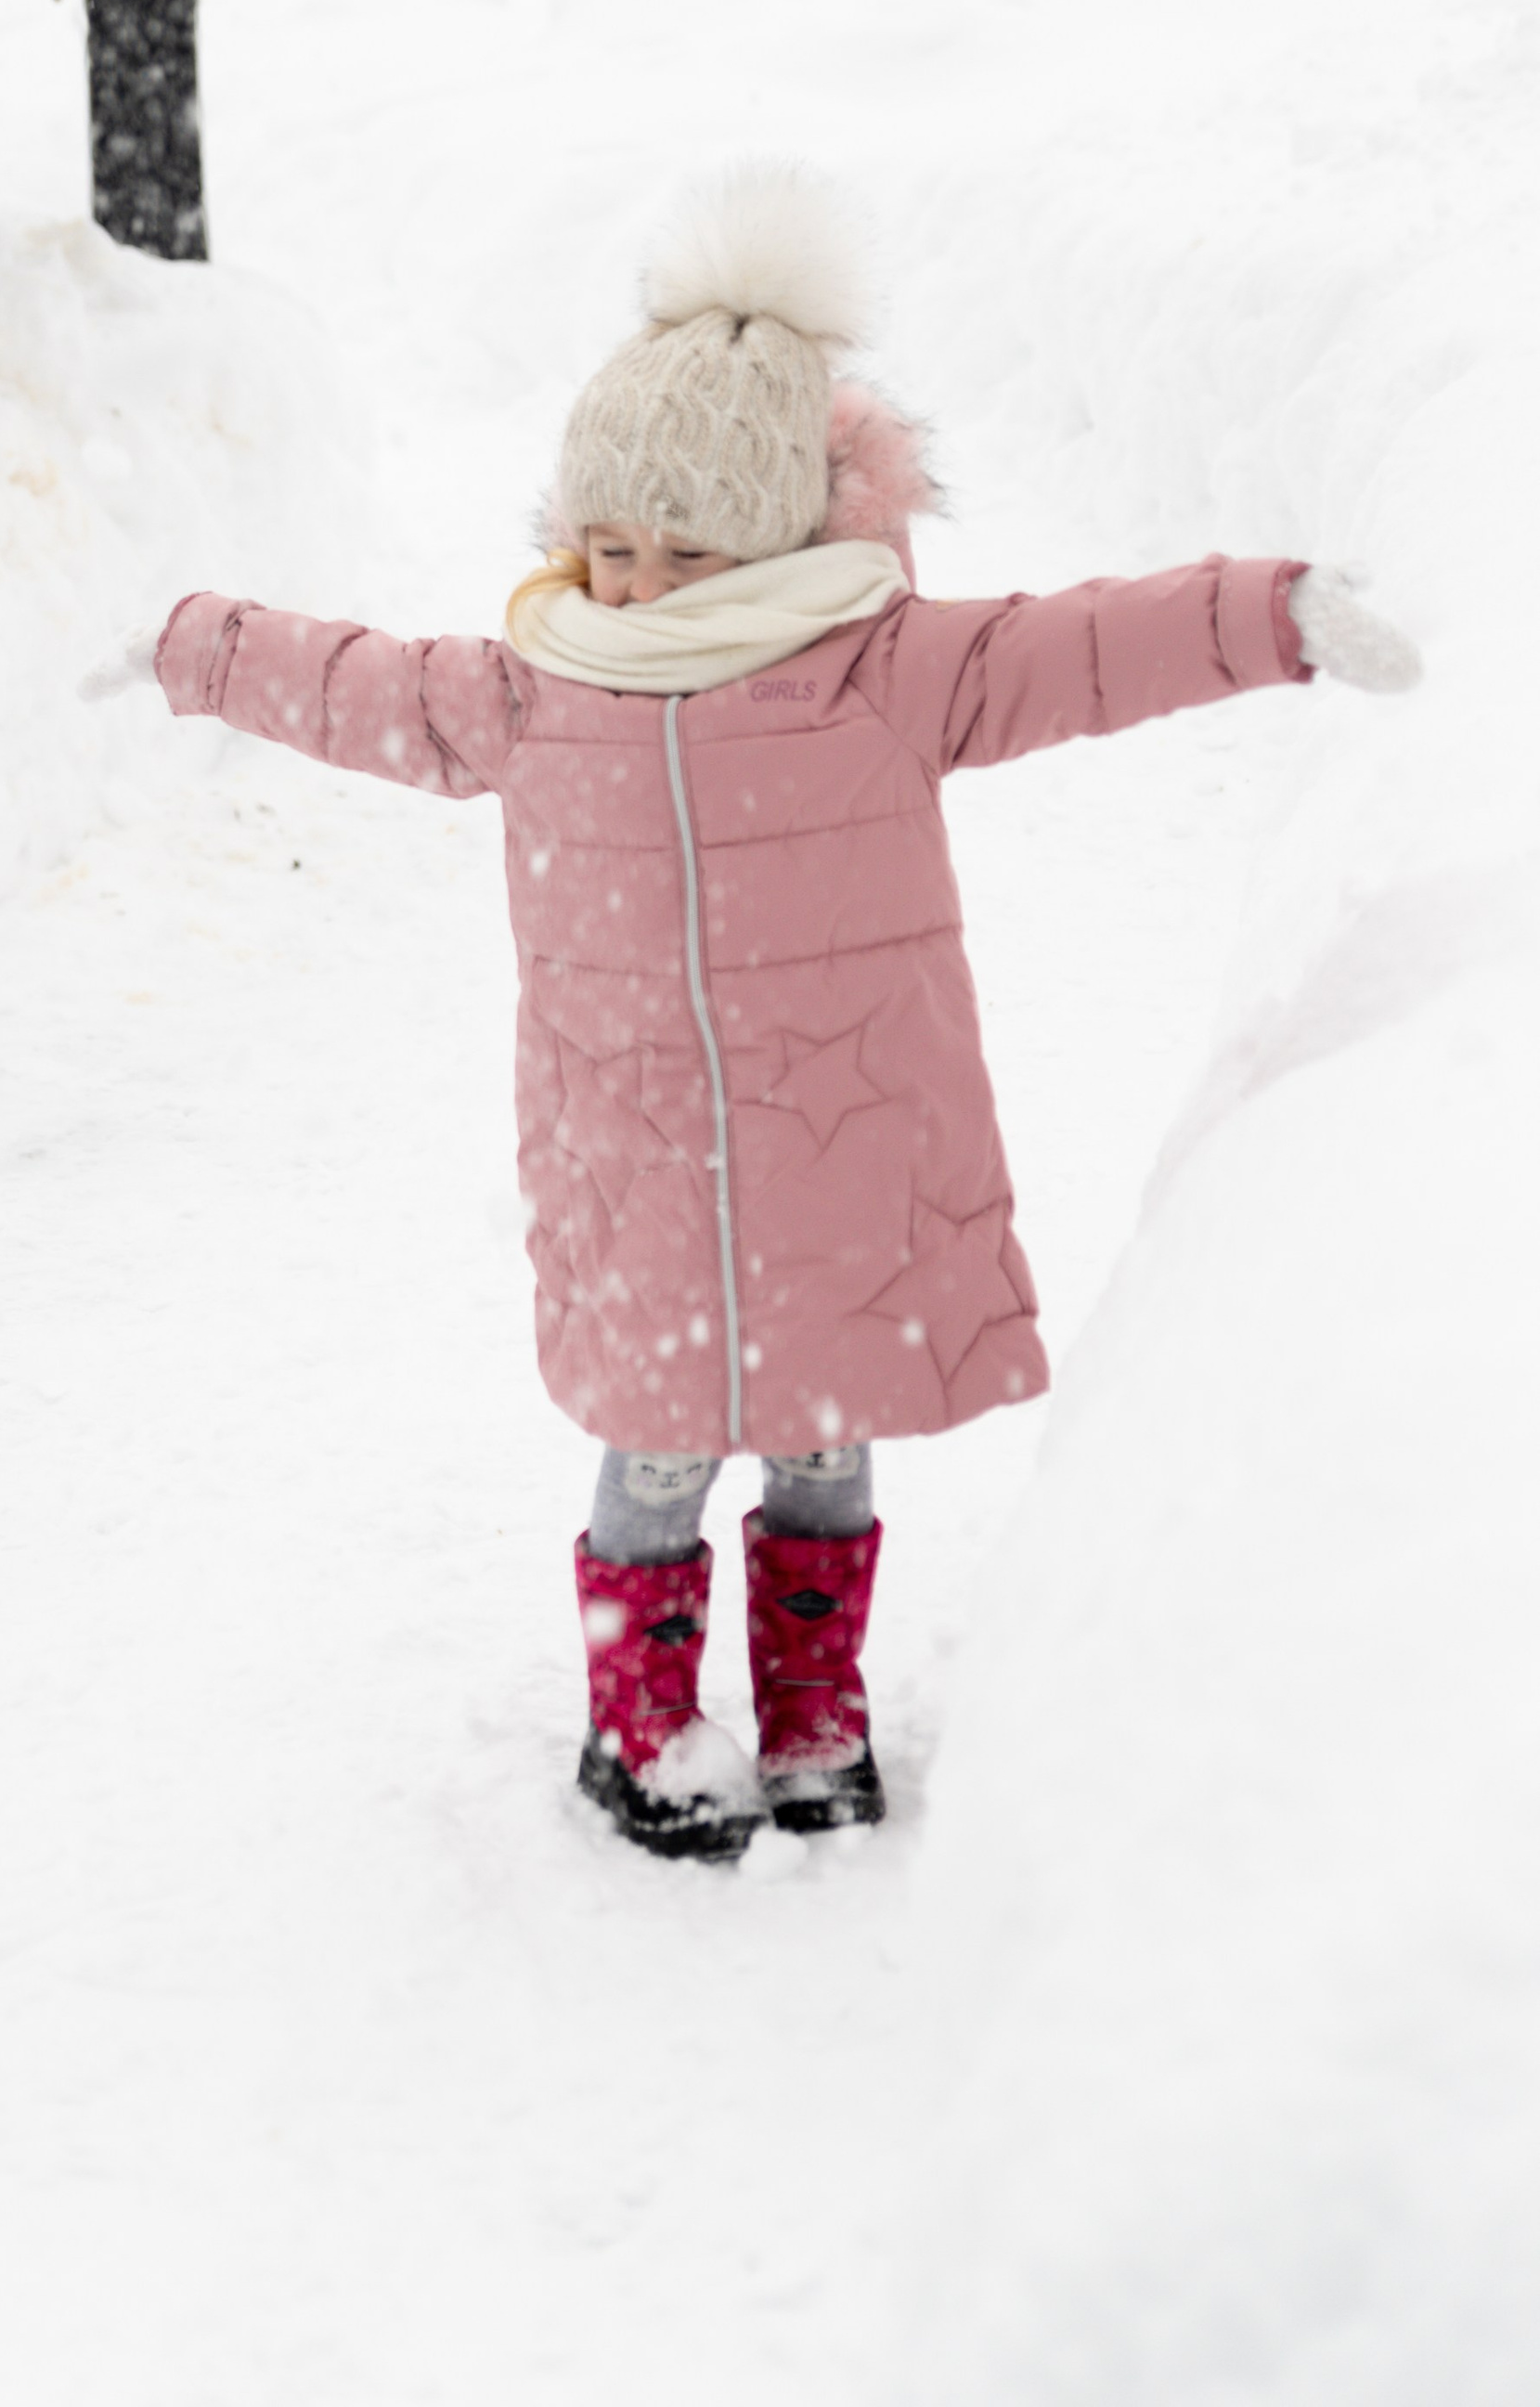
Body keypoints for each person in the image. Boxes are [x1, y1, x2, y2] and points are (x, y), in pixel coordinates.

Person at [93, 169, 1420, 1862]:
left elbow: (1093, 644)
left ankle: (815, 1713)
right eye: (610, 547)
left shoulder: (884, 670)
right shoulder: (535, 685)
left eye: (683, 550)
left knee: (823, 1446)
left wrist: (1282, 612)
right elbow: (352, 684)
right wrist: (183, 641)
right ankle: (639, 1727)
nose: (636, 586)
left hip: (845, 1144)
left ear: (783, 536)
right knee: (654, 1458)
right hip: (632, 1153)